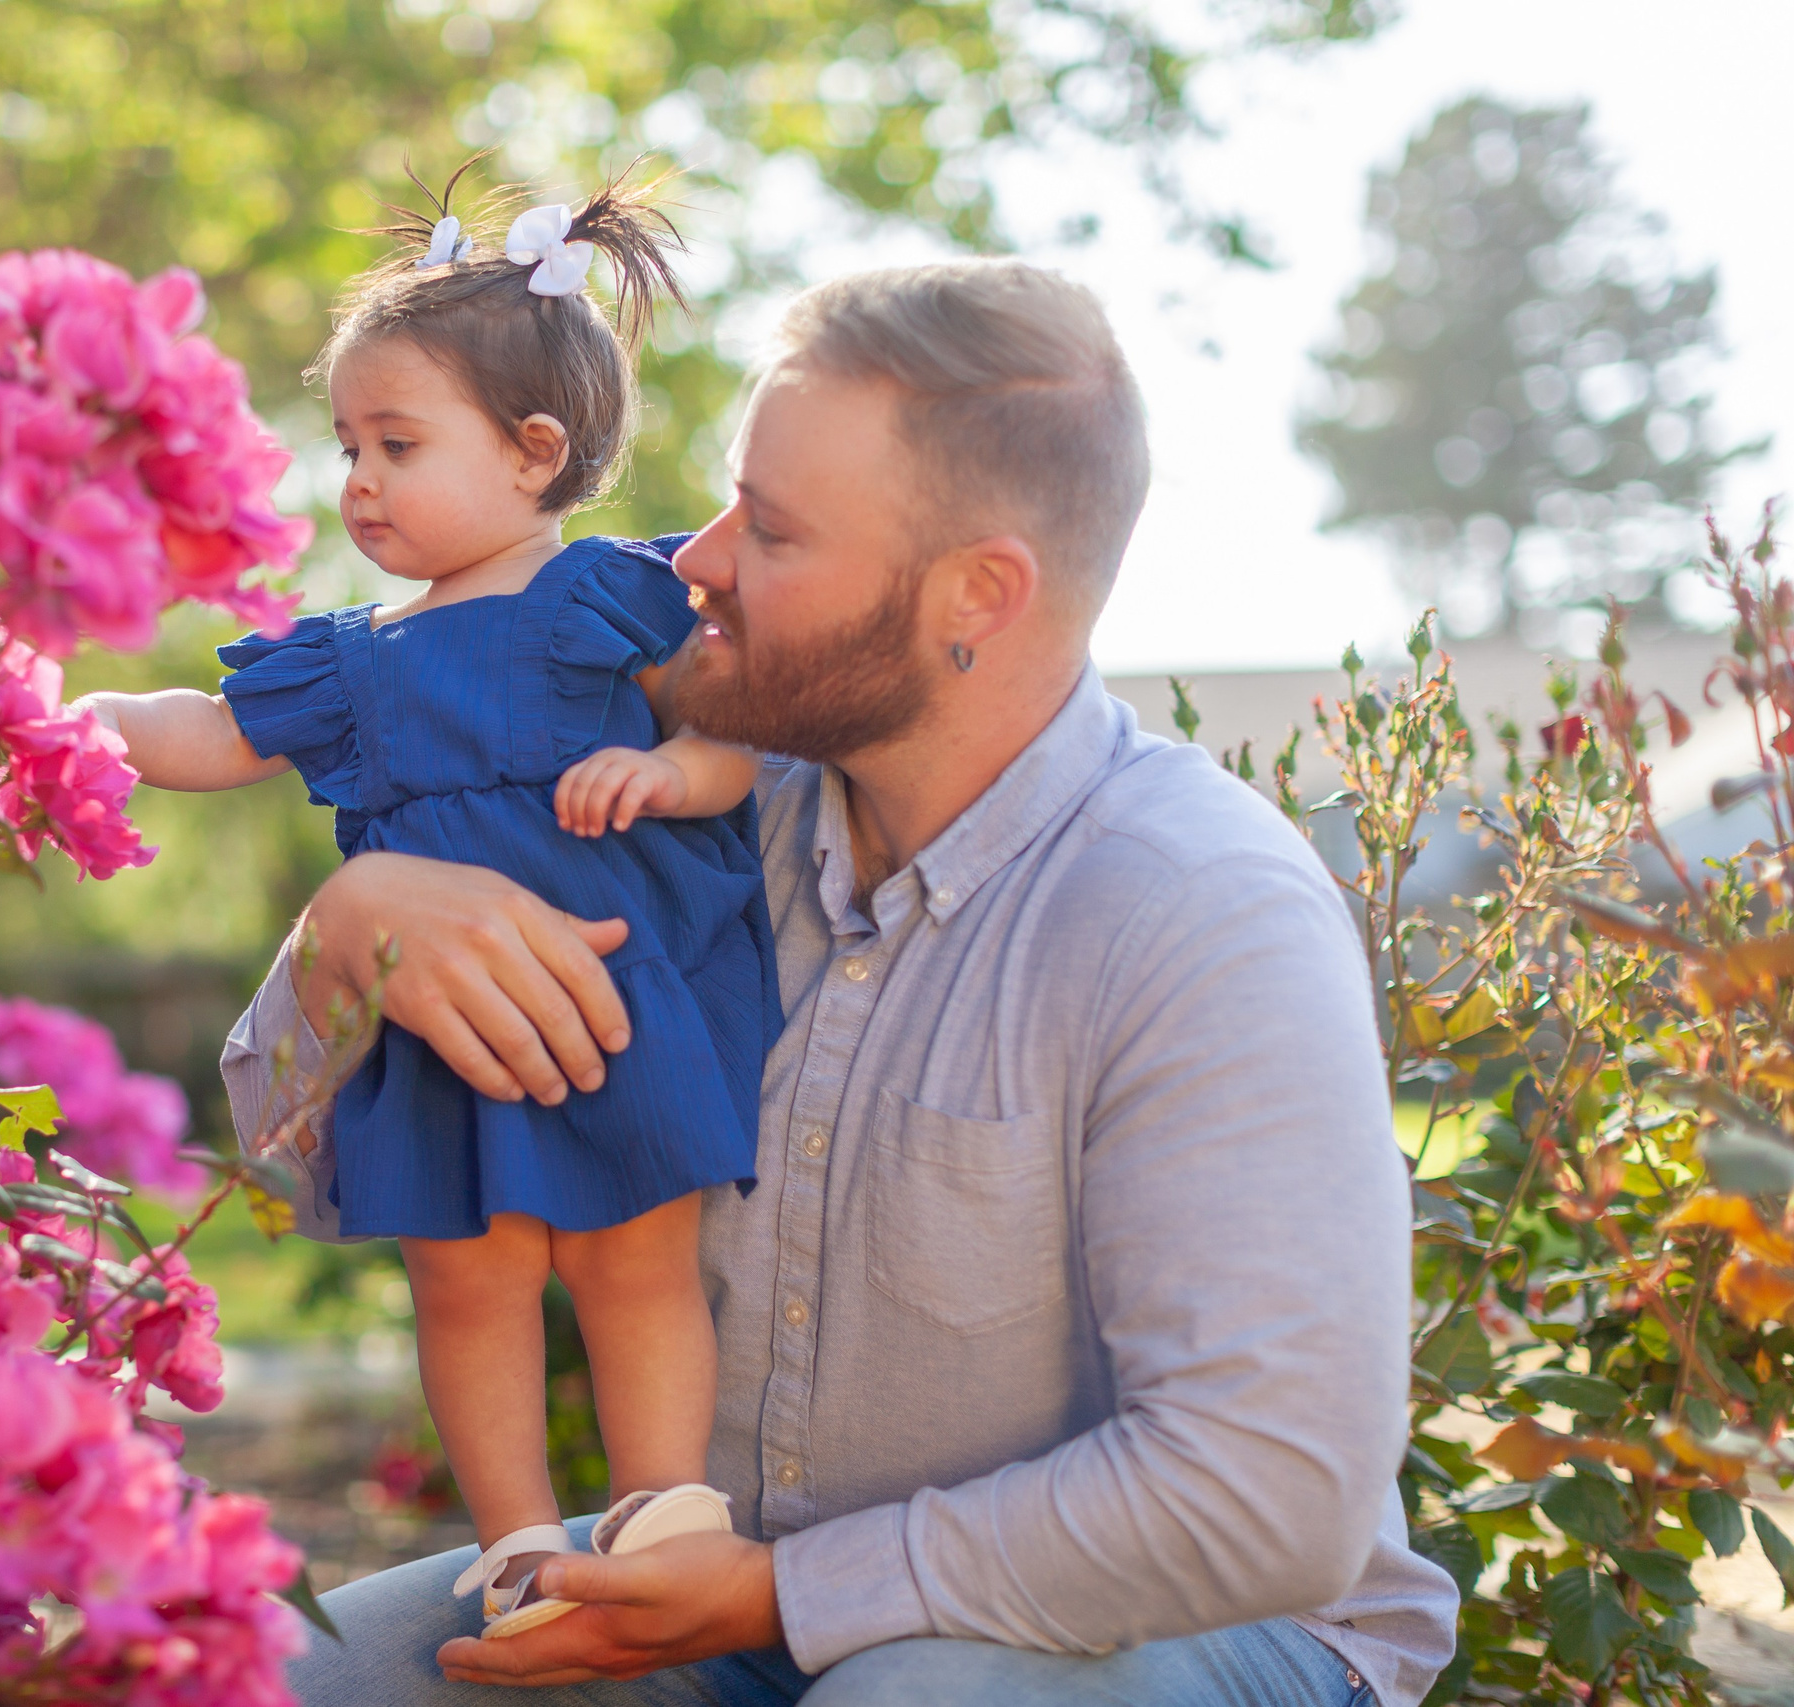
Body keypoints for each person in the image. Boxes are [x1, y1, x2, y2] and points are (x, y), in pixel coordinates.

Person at [223, 259, 1460, 1705]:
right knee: (247, 1681)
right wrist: (344, 940)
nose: (697, 559)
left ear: (976, 594)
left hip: (1190, 1625)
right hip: (722, 1592)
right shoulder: (661, 814)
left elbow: (1271, 1503)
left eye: (774, 529)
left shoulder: (1198, 906)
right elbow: (275, 1162)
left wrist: (777, 1594)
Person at [88, 178, 779, 1636]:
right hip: (439, 1034)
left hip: (614, 1000)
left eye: (397, 445)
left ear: (535, 454)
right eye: (349, 446)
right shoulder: (351, 658)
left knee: (637, 1264)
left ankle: (664, 1510)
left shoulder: (610, 597)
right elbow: (209, 733)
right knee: (465, 1287)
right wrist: (77, 719)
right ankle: (516, 1541)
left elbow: (736, 734)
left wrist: (669, 776)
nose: (357, 481)